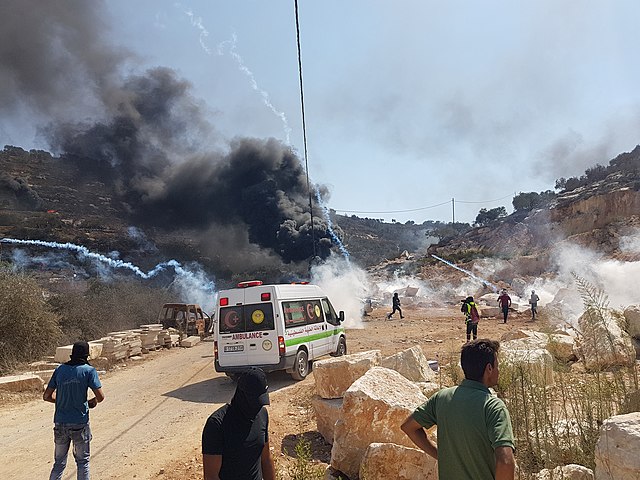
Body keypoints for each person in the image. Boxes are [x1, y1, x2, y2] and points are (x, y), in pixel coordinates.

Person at [401, 339, 515, 480]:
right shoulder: (493, 406)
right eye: (497, 366)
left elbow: (408, 427)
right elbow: (506, 462)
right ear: (489, 369)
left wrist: (440, 455)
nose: (499, 370)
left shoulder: (442, 397)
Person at [43, 341, 105, 480]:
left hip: (60, 423)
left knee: (59, 463)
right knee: (82, 462)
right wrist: (91, 402)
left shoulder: (59, 370)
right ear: (86, 355)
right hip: (80, 423)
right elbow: (100, 397)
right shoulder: (89, 371)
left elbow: (46, 396)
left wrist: (60, 401)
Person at [202, 367, 276, 480]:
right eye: (254, 402)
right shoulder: (217, 424)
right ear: (241, 394)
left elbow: (265, 459)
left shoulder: (262, 415)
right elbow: (211, 476)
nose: (257, 407)